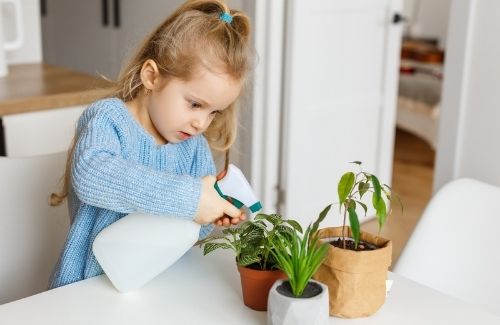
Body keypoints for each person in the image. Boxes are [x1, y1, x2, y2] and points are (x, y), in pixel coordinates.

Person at [48, 0, 252, 289]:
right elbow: (92, 174)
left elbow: (189, 226)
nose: (201, 123)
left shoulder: (193, 147)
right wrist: (193, 199)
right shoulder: (109, 120)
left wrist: (212, 213)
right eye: (195, 104)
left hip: (155, 285)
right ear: (152, 76)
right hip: (85, 287)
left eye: (213, 112)